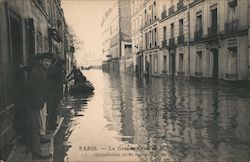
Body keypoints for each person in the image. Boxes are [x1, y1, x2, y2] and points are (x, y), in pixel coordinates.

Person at [25, 52, 52, 159]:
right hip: (33, 103)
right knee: (34, 127)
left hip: (36, 102)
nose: (47, 63)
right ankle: (36, 153)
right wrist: (36, 98)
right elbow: (28, 88)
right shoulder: (36, 72)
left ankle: (33, 148)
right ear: (41, 61)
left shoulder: (41, 70)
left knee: (35, 125)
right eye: (45, 61)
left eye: (49, 61)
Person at [47, 54, 66, 131]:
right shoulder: (60, 70)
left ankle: (52, 124)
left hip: (53, 92)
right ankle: (53, 123)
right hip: (58, 92)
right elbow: (64, 81)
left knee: (52, 108)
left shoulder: (55, 70)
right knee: (54, 108)